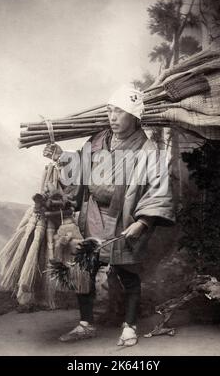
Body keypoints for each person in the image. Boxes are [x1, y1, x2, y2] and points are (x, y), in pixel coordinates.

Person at [43, 84, 175, 346]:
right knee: (84, 268)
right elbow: (78, 168)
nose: (113, 117)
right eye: (110, 111)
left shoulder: (147, 151)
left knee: (126, 272)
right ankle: (85, 323)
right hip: (94, 215)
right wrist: (60, 157)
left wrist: (144, 222)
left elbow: (159, 188)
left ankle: (129, 326)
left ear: (134, 117)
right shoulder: (97, 140)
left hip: (124, 218)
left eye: (120, 112)